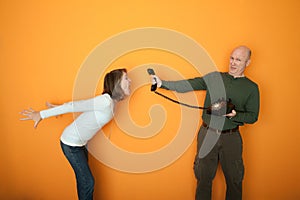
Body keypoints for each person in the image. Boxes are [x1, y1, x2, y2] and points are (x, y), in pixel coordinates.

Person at [150, 46, 260, 200]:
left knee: (235, 180)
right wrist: (163, 84)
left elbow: (253, 116)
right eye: (232, 58)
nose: (233, 63)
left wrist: (234, 115)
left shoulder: (251, 88)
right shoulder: (215, 78)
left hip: (231, 137)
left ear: (247, 63)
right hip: (207, 134)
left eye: (239, 60)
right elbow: (189, 84)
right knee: (203, 178)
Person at [20, 68, 131, 200]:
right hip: (71, 144)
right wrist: (41, 115)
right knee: (88, 182)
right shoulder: (105, 101)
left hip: (81, 144)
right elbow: (77, 105)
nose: (130, 80)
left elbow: (83, 108)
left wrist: (59, 107)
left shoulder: (112, 102)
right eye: (126, 78)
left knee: (83, 181)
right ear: (116, 83)